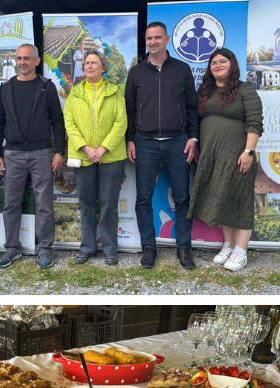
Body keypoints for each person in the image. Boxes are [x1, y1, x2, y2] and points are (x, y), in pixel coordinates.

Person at [126, 21, 200, 269]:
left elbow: (191, 107)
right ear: (145, 41)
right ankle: (148, 247)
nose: (153, 42)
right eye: (149, 38)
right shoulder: (136, 73)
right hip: (145, 142)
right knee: (143, 198)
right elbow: (130, 109)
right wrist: (130, 139)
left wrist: (193, 138)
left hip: (178, 141)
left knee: (182, 197)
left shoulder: (182, 69)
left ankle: (184, 248)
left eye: (157, 37)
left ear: (167, 39)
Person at [0, 43, 67, 270]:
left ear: (36, 61)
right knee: (10, 204)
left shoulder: (47, 87)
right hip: (12, 154)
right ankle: (12, 249)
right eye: (19, 59)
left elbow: (57, 121)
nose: (22, 62)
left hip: (41, 153)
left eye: (26, 58)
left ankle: (45, 250)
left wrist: (59, 151)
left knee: (44, 203)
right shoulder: (5, 88)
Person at [189, 48, 262, 272]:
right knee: (222, 198)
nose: (218, 65)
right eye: (213, 62)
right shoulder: (205, 90)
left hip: (237, 155)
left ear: (232, 65)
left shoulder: (244, 89)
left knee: (238, 200)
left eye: (223, 61)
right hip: (211, 156)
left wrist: (248, 152)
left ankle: (241, 250)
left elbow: (255, 122)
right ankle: (229, 245)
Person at [63, 49, 127, 267]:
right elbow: (69, 122)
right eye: (87, 63)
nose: (89, 66)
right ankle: (87, 248)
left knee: (109, 204)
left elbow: (121, 123)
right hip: (84, 155)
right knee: (87, 202)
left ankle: (110, 250)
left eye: (93, 63)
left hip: (111, 156)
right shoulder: (75, 92)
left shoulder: (115, 91)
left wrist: (103, 148)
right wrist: (87, 148)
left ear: (103, 67)